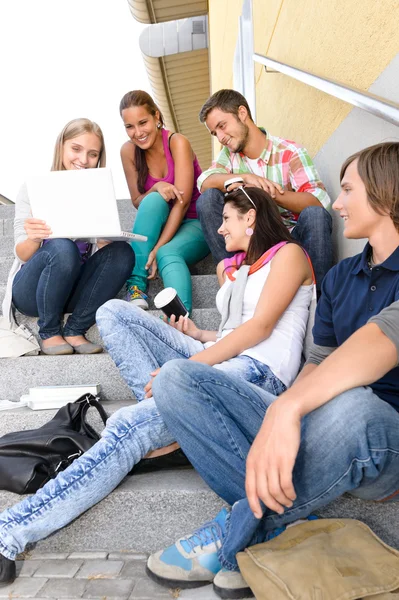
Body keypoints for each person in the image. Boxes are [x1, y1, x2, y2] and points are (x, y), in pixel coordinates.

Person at [0, 185, 315, 586]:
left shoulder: (289, 255)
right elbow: (230, 332)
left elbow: (261, 328)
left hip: (255, 375)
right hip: (219, 358)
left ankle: (9, 532)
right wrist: (199, 334)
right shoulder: (237, 268)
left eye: (227, 220)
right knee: (114, 312)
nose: (219, 230)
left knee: (129, 426)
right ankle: (174, 427)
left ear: (251, 218)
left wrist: (182, 371)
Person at [143, 141, 399, 599]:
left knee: (356, 405)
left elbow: (379, 342)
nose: (336, 203)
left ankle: (238, 527)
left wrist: (288, 411)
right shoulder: (340, 278)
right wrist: (285, 409)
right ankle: (274, 523)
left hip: (383, 440)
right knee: (179, 379)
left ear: (385, 192)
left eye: (346, 190)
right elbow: (316, 363)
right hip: (317, 420)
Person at [1, 119, 134, 355]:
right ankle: (49, 332)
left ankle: (75, 329)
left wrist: (104, 242)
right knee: (63, 247)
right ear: (61, 146)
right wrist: (34, 237)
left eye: (92, 154)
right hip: (32, 292)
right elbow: (21, 253)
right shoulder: (33, 188)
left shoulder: (98, 193)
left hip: (74, 291)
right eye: (76, 149)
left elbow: (103, 263)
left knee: (123, 252)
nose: (83, 160)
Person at [196, 88, 333, 293]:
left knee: (315, 215)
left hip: (291, 239)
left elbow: (319, 202)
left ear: (242, 113)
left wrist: (269, 192)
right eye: (215, 133)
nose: (221, 137)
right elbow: (204, 181)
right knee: (208, 199)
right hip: (253, 244)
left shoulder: (290, 152)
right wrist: (244, 178)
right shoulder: (229, 157)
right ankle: (234, 286)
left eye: (222, 126)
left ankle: (320, 304)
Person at [120, 90, 209, 314]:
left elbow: (182, 201)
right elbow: (138, 201)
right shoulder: (128, 151)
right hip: (159, 222)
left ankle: (179, 321)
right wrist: (156, 187)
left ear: (157, 117)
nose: (138, 132)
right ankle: (136, 285)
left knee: (166, 253)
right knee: (152, 201)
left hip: (192, 222)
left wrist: (157, 248)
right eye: (130, 126)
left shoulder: (177, 142)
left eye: (143, 122)